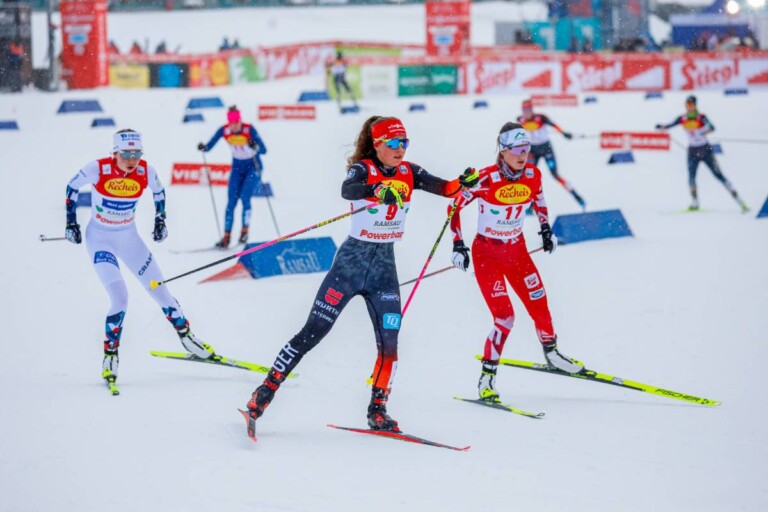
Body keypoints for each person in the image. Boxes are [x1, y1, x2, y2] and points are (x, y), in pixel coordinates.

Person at [243, 116, 478, 432]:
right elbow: (348, 189)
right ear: (378, 145)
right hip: (350, 266)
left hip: (384, 270)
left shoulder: (410, 172)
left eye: (403, 142)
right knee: (312, 332)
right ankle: (264, 393)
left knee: (390, 344)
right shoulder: (364, 169)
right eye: (393, 143)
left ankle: (378, 410)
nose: (399, 149)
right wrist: (378, 188)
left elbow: (446, 189)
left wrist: (463, 182)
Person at [64, 129, 216, 389]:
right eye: (126, 154)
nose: (132, 159)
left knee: (160, 290)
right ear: (115, 152)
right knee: (120, 298)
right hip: (100, 240)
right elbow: (71, 187)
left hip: (129, 238)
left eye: (137, 153)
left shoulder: (146, 171)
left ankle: (187, 337)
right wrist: (71, 223)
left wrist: (160, 219)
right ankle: (110, 357)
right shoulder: (98, 169)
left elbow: (159, 192)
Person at [449, 122, 583, 403]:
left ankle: (552, 353)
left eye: (527, 148)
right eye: (517, 150)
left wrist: (546, 229)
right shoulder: (485, 179)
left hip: (517, 252)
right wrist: (458, 245)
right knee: (505, 317)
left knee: (540, 303)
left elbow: (540, 199)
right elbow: (453, 207)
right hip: (488, 255)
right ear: (503, 150)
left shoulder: (532, 174)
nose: (523, 155)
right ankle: (487, 377)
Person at [655, 95, 749, 212]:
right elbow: (670, 125)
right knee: (691, 177)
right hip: (692, 151)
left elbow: (712, 127)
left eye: (691, 105)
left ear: (695, 105)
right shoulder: (682, 118)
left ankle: (740, 201)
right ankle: (695, 203)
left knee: (718, 174)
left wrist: (703, 131)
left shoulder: (701, 117)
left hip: (706, 149)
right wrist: (661, 127)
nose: (689, 107)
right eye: (687, 105)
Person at [197, 106, 267, 247]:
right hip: (237, 168)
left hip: (253, 167)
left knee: (245, 197)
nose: (234, 126)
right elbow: (209, 146)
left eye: (236, 122)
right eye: (231, 123)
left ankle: (244, 232)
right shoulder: (225, 130)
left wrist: (255, 146)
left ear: (240, 121)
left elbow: (264, 149)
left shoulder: (248, 130)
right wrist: (203, 147)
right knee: (231, 202)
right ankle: (226, 236)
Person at [517, 99, 586, 210]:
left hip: (546, 149)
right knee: (528, 177)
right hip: (532, 151)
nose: (526, 113)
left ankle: (576, 196)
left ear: (532, 109)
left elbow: (554, 125)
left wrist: (563, 133)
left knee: (555, 175)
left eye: (528, 110)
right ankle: (530, 205)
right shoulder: (520, 120)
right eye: (524, 110)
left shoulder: (541, 117)